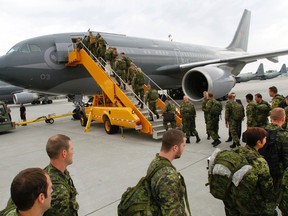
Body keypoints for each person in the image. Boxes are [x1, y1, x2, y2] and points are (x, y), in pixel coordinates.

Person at [229, 127, 276, 216]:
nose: (266, 139)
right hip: (251, 204)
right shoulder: (260, 162)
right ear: (259, 142)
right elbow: (267, 188)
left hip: (233, 199)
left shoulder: (236, 151)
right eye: (265, 138)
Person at [146, 129, 191, 215]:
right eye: (183, 145)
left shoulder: (155, 162)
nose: (184, 149)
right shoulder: (168, 177)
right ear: (175, 148)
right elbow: (171, 212)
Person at [44, 134, 79, 216]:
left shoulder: (49, 171)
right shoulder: (58, 191)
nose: (73, 152)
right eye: (71, 149)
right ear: (64, 153)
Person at [265, 108, 288, 215]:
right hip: (280, 176)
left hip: (264, 172)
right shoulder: (285, 136)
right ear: (284, 119)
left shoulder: (261, 131)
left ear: (270, 118)